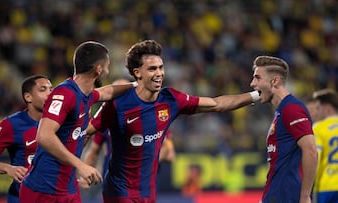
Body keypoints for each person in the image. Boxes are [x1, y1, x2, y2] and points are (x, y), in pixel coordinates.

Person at [87, 39, 260, 203]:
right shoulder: (118, 104)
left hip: (148, 191)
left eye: (161, 68)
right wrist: (80, 166)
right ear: (137, 73)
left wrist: (256, 95)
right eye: (152, 69)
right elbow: (86, 132)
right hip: (119, 190)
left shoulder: (171, 99)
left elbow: (216, 104)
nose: (159, 73)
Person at [19, 41, 136, 203]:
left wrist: (137, 85)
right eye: (107, 66)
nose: (108, 71)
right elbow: (44, 136)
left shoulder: (86, 95)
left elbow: (107, 91)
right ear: (99, 69)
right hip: (43, 191)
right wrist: (81, 165)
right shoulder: (65, 94)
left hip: (68, 189)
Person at [80, 79, 176, 189]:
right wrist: (84, 174)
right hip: (114, 183)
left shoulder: (150, 117)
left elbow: (170, 153)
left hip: (143, 183)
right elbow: (93, 151)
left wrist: (141, 164)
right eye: (116, 95)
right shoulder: (104, 122)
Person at [249, 55, 318, 203]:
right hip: (276, 193)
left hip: (286, 195)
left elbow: (311, 150)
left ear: (275, 81)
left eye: (257, 78)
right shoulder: (282, 110)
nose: (252, 83)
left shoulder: (291, 109)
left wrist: (305, 196)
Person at [0, 75, 53, 203]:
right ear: (28, 97)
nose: (49, 94)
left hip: (54, 197)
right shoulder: (11, 124)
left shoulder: (62, 121)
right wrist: (9, 168)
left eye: (51, 89)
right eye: (43, 90)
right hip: (21, 197)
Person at [309, 89, 338, 203]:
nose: (315, 113)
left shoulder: (319, 128)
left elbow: (314, 157)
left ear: (328, 108)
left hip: (326, 187)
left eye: (317, 108)